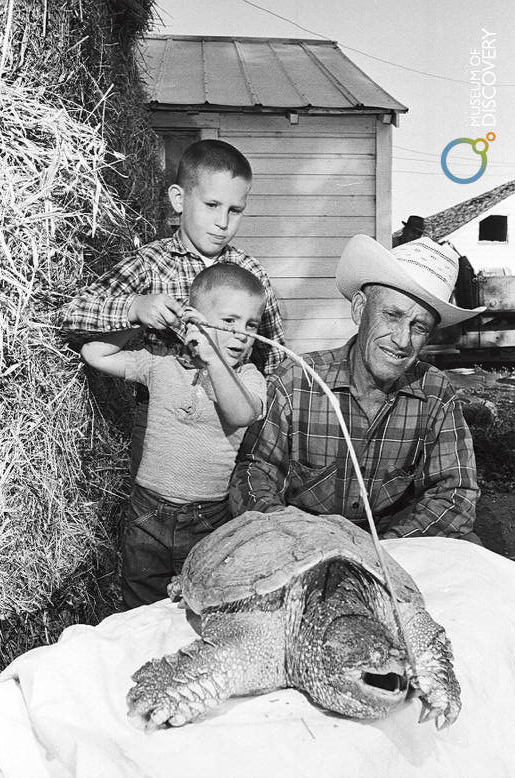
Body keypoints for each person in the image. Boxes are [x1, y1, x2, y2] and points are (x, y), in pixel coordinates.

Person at [230, 234, 486, 542]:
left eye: (419, 327)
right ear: (360, 309)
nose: (402, 340)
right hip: (301, 542)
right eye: (392, 315)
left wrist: (387, 549)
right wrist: (288, 536)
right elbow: (254, 473)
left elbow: (457, 493)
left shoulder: (434, 391)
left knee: (472, 549)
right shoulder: (297, 378)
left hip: (390, 544)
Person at [60, 138, 285, 476]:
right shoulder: (152, 263)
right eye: (211, 205)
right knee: (151, 508)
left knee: (217, 514)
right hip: (159, 419)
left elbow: (275, 359)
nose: (223, 222)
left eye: (234, 210)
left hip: (230, 422)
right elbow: (68, 314)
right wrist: (135, 307)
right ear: (179, 199)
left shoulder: (252, 275)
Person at [81, 263, 268, 608]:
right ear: (194, 320)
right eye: (229, 321)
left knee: (198, 606)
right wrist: (139, 317)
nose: (242, 334)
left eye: (251, 324)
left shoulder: (249, 376)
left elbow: (242, 413)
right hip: (147, 512)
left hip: (207, 520)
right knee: (139, 607)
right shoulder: (160, 363)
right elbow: (94, 354)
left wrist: (213, 360)